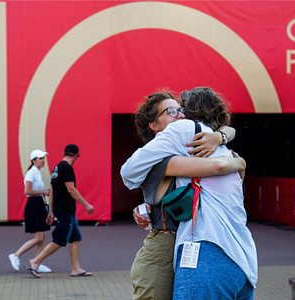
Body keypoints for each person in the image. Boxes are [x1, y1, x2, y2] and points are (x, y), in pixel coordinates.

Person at [122, 87, 257, 299]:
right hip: (165, 248)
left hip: (195, 247)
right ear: (154, 125)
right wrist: (237, 161)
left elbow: (226, 134)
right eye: (171, 112)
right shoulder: (168, 152)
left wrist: (221, 136)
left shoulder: (195, 142)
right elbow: (218, 167)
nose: (180, 115)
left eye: (181, 110)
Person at [26, 144, 95, 278]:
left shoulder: (56, 168)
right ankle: (36, 261)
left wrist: (51, 211)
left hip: (60, 208)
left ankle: (76, 268)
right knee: (60, 238)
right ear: (75, 156)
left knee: (75, 237)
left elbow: (52, 191)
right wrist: (87, 205)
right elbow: (71, 189)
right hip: (66, 209)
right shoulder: (67, 168)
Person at [8, 149, 52, 273]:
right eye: (40, 158)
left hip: (39, 203)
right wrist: (44, 192)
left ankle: (38, 263)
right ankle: (16, 255)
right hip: (33, 205)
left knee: (42, 236)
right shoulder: (31, 173)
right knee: (38, 237)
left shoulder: (37, 172)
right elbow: (27, 191)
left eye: (43, 158)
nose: (43, 161)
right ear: (33, 161)